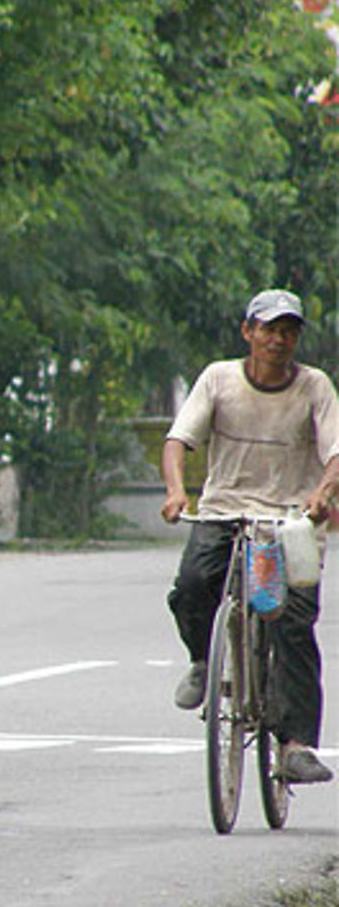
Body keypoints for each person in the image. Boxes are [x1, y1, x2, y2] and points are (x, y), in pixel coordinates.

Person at [160, 288, 339, 785]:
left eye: (288, 331)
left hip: (290, 519)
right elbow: (179, 440)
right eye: (269, 329)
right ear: (248, 332)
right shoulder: (219, 379)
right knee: (195, 584)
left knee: (294, 623)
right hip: (224, 511)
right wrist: (177, 493)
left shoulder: (315, 387)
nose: (278, 340)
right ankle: (202, 659)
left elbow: (335, 451)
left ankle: (296, 744)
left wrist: (324, 493)